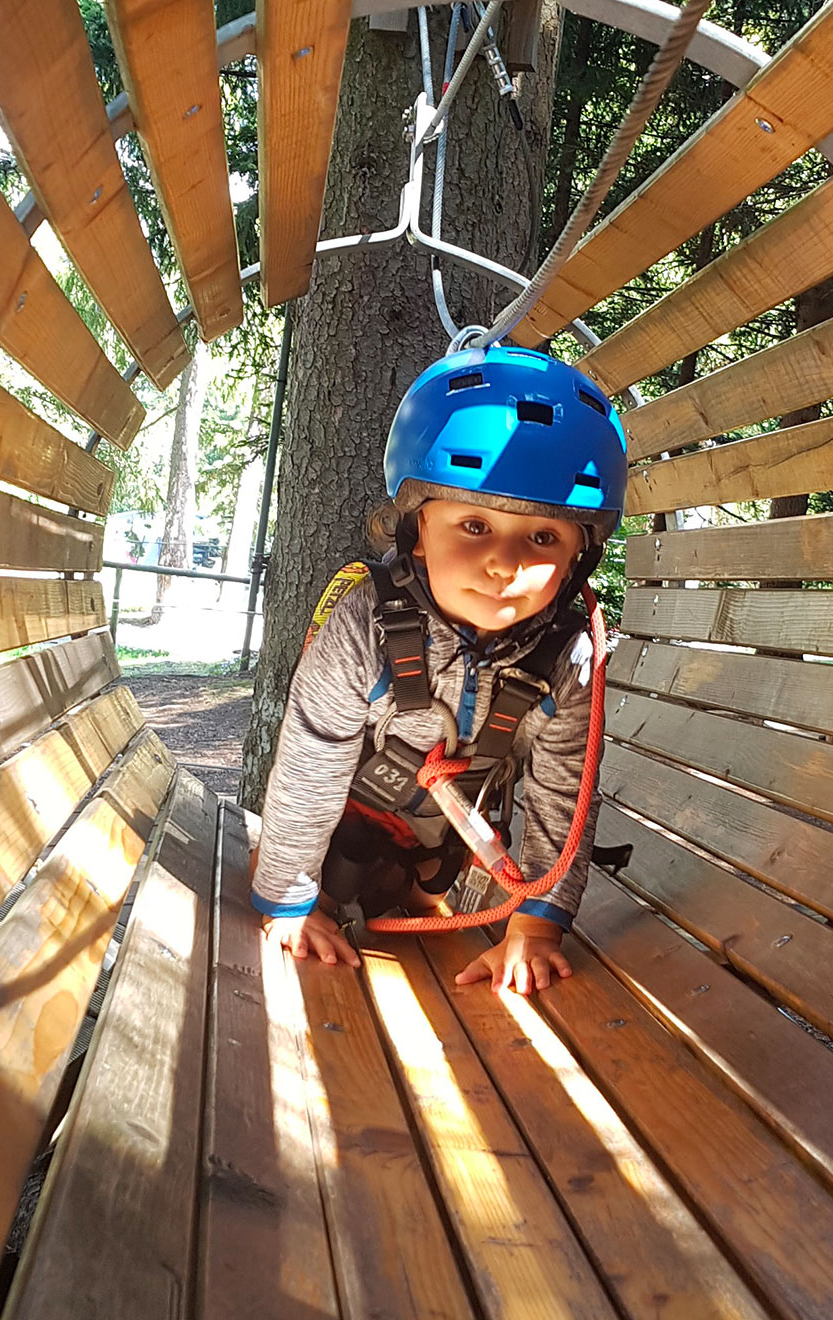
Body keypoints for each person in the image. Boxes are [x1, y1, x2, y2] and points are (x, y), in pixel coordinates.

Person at [250, 346, 625, 995]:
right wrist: (291, 900)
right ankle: (331, 891)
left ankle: (418, 890)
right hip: (349, 821)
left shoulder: (570, 656)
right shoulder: (365, 623)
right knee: (336, 876)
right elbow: (311, 763)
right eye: (474, 524)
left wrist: (535, 928)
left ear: (577, 557)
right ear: (416, 530)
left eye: (543, 537)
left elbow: (563, 799)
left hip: (453, 837)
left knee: (427, 881)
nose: (504, 563)